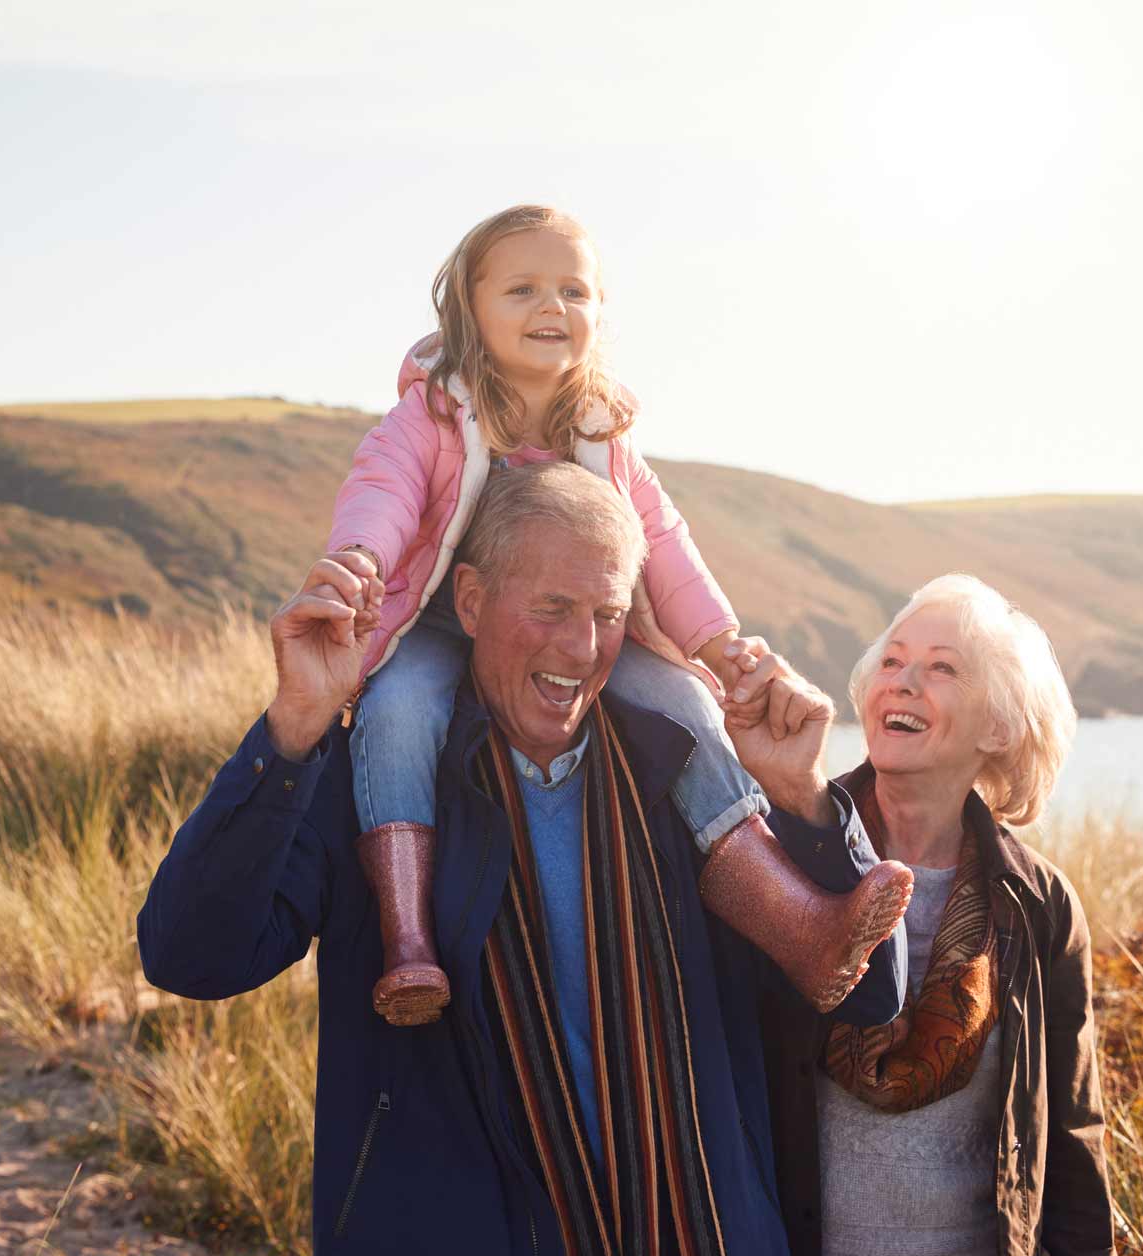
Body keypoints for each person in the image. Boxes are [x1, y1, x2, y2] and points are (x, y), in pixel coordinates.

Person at [137, 464, 907, 1256]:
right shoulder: (381, 785)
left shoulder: (684, 776)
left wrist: (800, 798)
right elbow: (192, 957)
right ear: (468, 597)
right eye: (549, 608)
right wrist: (296, 723)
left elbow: (866, 998)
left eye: (609, 614)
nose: (582, 648)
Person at [320, 203, 909, 1027]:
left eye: (574, 290)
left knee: (687, 705)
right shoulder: (433, 415)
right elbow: (382, 493)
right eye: (522, 288)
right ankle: (409, 939)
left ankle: (800, 924)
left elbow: (661, 541)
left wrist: (717, 641)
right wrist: (359, 563)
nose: (551, 307)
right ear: (467, 305)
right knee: (397, 712)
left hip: (584, 627)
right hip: (440, 621)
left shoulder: (603, 435)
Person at [747, 575, 1122, 1256]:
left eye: (942, 668)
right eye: (892, 661)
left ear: (997, 726)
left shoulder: (1037, 906)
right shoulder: (777, 853)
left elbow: (1071, 1141)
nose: (904, 682)